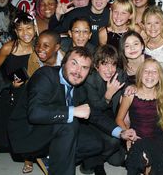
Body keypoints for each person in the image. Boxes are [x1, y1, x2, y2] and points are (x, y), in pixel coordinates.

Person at [8, 47, 137, 175]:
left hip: (54, 129)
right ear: (64, 62)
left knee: (96, 143)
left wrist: (121, 132)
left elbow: (94, 114)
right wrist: (73, 111)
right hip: (28, 133)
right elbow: (35, 113)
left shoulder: (79, 86)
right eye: (74, 63)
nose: (78, 71)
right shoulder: (45, 75)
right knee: (70, 124)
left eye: (85, 67)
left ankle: (52, 159)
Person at [0, 12, 36, 175]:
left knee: (28, 129)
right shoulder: (8, 47)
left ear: (34, 28)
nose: (26, 32)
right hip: (10, 93)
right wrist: (9, 82)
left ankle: (28, 160)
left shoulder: (38, 47)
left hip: (30, 95)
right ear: (15, 31)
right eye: (20, 29)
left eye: (29, 28)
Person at [116, 58, 163, 174]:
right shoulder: (131, 94)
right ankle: (144, 164)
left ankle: (149, 168)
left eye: (154, 71)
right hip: (137, 139)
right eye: (146, 71)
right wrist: (127, 133)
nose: (150, 74)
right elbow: (119, 119)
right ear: (140, 74)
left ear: (160, 76)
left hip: (157, 141)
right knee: (141, 159)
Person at [81, 45, 127, 174]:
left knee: (117, 161)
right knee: (113, 140)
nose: (109, 70)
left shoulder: (119, 74)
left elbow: (127, 83)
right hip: (92, 122)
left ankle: (96, 160)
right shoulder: (90, 80)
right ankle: (94, 163)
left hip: (112, 118)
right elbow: (95, 111)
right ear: (96, 66)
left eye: (113, 64)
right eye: (105, 64)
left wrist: (132, 87)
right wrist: (108, 96)